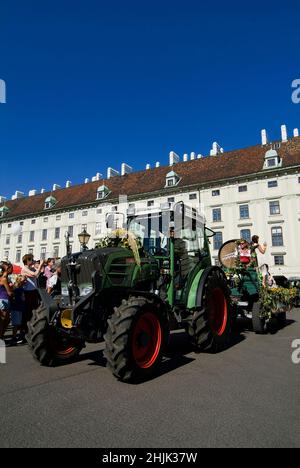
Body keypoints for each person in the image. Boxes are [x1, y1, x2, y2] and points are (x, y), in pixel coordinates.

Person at [21, 254, 44, 334]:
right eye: (31, 259)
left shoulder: (31, 268)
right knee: (28, 312)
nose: (33, 260)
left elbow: (39, 272)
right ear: (27, 261)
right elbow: (34, 274)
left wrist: (38, 265)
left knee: (34, 310)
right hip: (28, 292)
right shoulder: (24, 268)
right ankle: (24, 330)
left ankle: (31, 328)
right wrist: (40, 264)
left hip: (33, 291)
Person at [10, 275, 26, 345]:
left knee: (17, 324)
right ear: (20, 280)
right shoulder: (18, 289)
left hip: (18, 307)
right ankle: (14, 338)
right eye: (24, 280)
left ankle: (15, 337)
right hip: (17, 307)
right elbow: (22, 298)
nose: (25, 281)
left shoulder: (18, 288)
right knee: (16, 324)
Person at [0, 261, 13, 341]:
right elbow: (9, 293)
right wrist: (15, 287)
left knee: (6, 320)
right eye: (11, 268)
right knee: (3, 321)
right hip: (3, 300)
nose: (12, 270)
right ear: (7, 269)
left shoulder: (5, 278)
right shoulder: (4, 279)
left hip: (4, 300)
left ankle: (1, 336)